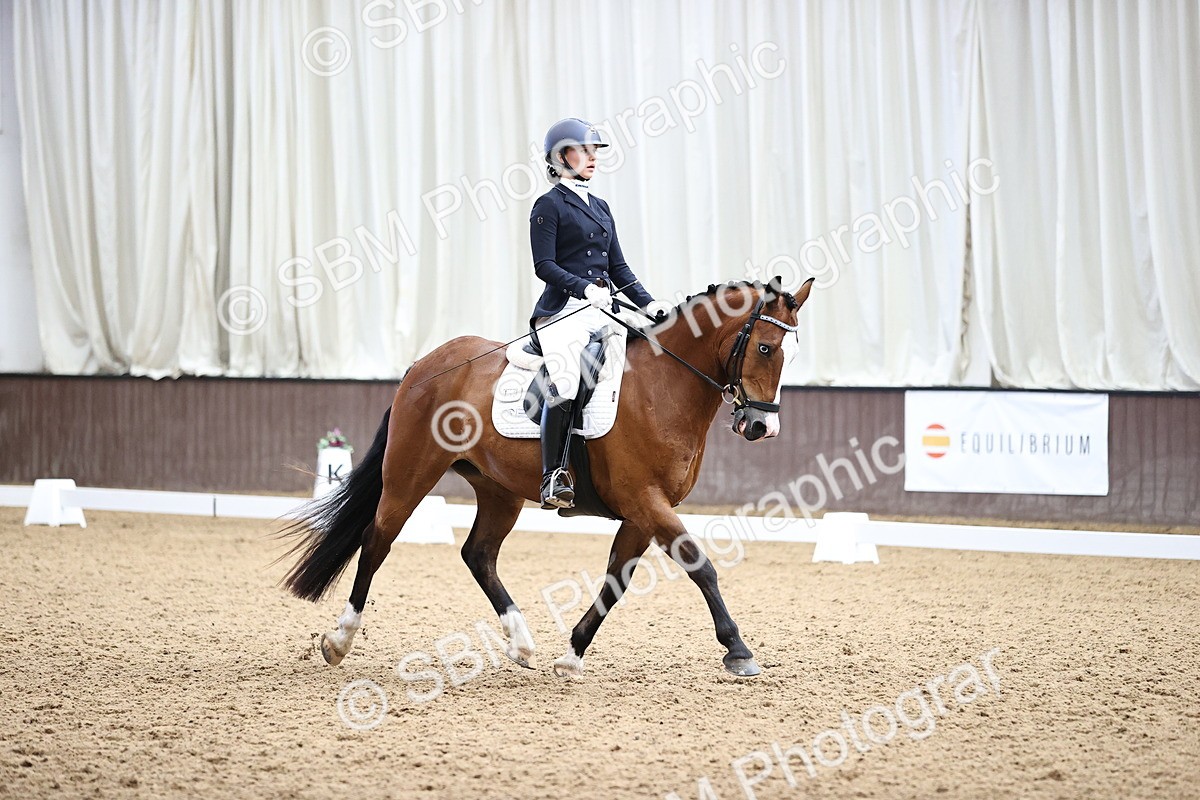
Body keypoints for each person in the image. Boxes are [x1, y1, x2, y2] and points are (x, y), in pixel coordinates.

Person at [528, 117, 667, 509]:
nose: (592, 158)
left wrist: (648, 303)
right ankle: (553, 476)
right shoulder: (548, 205)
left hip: (603, 308)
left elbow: (618, 268)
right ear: (560, 156)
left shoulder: (601, 206)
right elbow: (544, 264)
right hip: (563, 312)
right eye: (584, 150)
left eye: (595, 151)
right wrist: (584, 288)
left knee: (647, 358)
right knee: (569, 383)